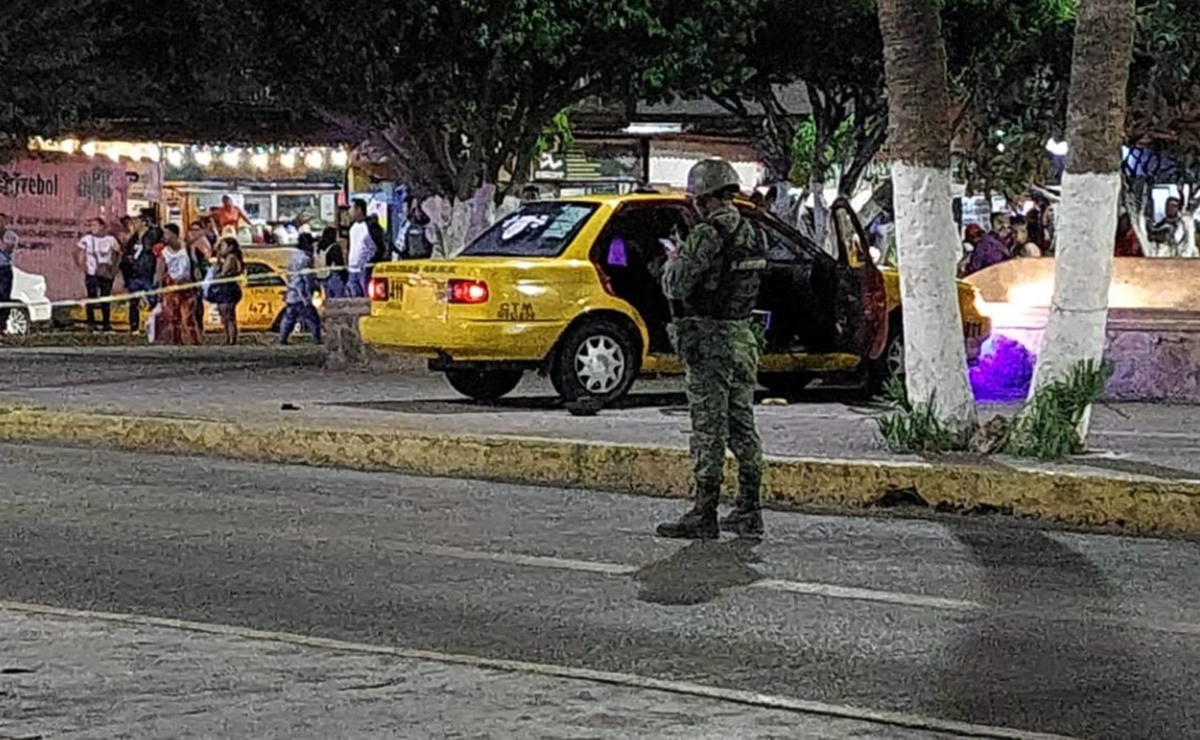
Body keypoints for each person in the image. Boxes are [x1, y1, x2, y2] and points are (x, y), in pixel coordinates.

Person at [656, 158, 767, 540]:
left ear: (702, 198)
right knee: (743, 427)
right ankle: (750, 508)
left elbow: (676, 286)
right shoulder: (753, 231)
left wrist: (673, 261)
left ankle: (705, 512)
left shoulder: (707, 234)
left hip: (710, 341)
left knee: (708, 428)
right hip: (742, 339)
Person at [154, 224, 201, 345]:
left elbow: (195, 265)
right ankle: (177, 341)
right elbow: (160, 271)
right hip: (172, 286)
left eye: (166, 233)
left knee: (189, 315)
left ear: (174, 234)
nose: (164, 237)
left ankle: (194, 341)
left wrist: (198, 282)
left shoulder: (187, 248)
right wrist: (158, 288)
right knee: (173, 316)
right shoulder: (163, 252)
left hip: (186, 285)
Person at [75, 218, 120, 332]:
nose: (92, 228)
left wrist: (114, 268)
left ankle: (106, 323)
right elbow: (77, 252)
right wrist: (82, 266)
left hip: (106, 274)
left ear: (101, 226)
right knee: (92, 297)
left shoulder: (111, 240)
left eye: (94, 225)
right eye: (90, 225)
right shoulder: (87, 239)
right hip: (92, 273)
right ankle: (91, 323)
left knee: (105, 297)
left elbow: (118, 253)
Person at [121, 210, 162, 333]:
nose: (134, 223)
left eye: (137, 221)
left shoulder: (153, 234)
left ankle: (155, 326)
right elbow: (127, 250)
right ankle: (134, 327)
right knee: (134, 301)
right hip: (134, 272)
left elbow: (154, 248)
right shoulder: (133, 238)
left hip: (148, 272)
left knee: (153, 300)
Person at [279, 233, 323, 344]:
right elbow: (307, 278)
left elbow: (288, 275)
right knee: (312, 318)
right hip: (302, 294)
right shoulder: (305, 259)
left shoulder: (292, 257)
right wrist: (312, 289)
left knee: (289, 318)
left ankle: (282, 338)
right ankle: (317, 338)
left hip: (292, 292)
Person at [209, 237, 244, 345]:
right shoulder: (226, 258)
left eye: (223, 246)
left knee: (228, 315)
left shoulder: (231, 258)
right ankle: (228, 336)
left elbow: (223, 273)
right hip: (225, 289)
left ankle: (231, 338)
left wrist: (215, 276)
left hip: (228, 289)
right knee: (225, 315)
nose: (221, 249)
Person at [347, 198, 375, 297]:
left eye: (351, 208)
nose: (349, 211)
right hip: (352, 269)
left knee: (366, 296)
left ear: (359, 209)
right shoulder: (353, 227)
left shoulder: (369, 227)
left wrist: (368, 261)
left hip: (364, 269)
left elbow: (375, 247)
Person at [316, 226, 346, 297]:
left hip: (322, 276)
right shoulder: (334, 247)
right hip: (333, 275)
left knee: (327, 298)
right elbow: (339, 263)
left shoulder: (319, 246)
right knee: (338, 298)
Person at [0, 213, 17, 334]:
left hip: (3, 269)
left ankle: (2, 325)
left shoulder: (9, 235)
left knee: (4, 297)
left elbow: (7, 248)